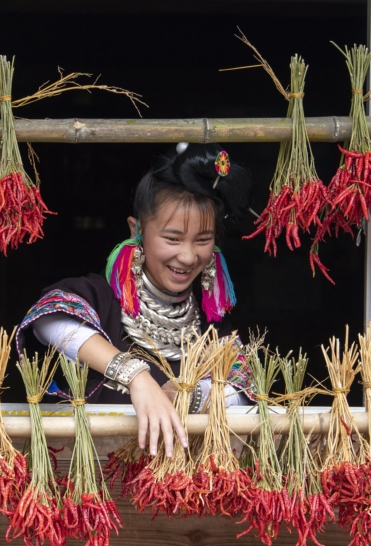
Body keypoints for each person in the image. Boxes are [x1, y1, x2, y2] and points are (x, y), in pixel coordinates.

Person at [17, 142, 253, 460]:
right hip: (93, 486)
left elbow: (242, 391)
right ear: (137, 229)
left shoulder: (211, 324)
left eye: (203, 240)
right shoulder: (102, 300)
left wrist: (193, 395)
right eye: (172, 238)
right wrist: (136, 377)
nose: (187, 255)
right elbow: (48, 319)